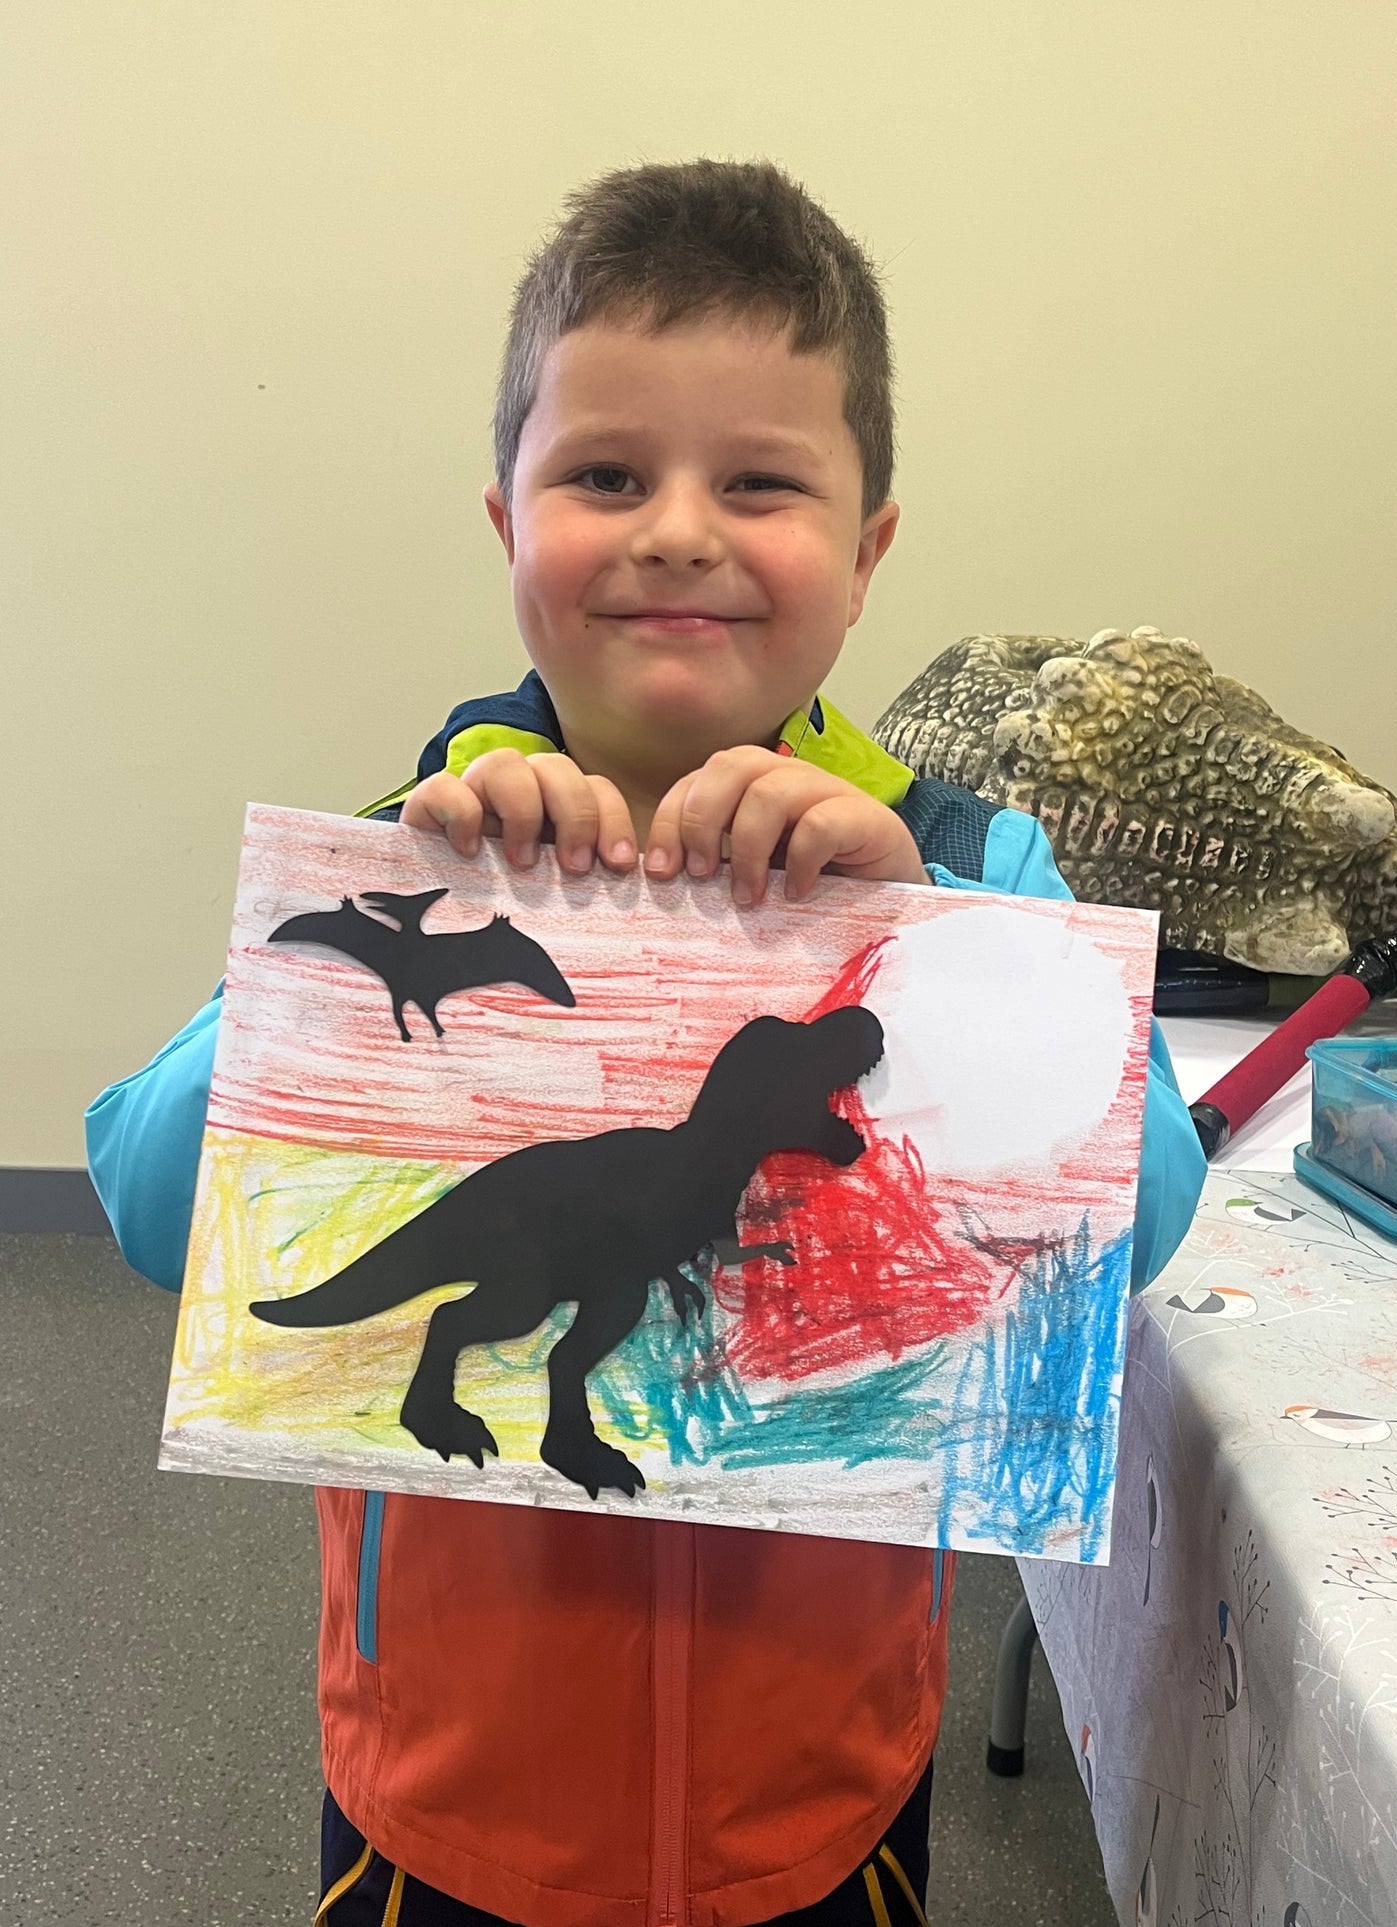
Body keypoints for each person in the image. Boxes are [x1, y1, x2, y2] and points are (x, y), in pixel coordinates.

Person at [87, 159, 1206, 1927]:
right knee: (530, 1301)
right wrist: (418, 891)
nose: (677, 528)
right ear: (507, 520)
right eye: (605, 476)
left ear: (865, 548)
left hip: (820, 1796)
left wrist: (923, 944)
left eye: (758, 481)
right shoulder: (409, 857)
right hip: (446, 1796)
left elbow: (1136, 1219)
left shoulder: (979, 873)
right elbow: (155, 1206)